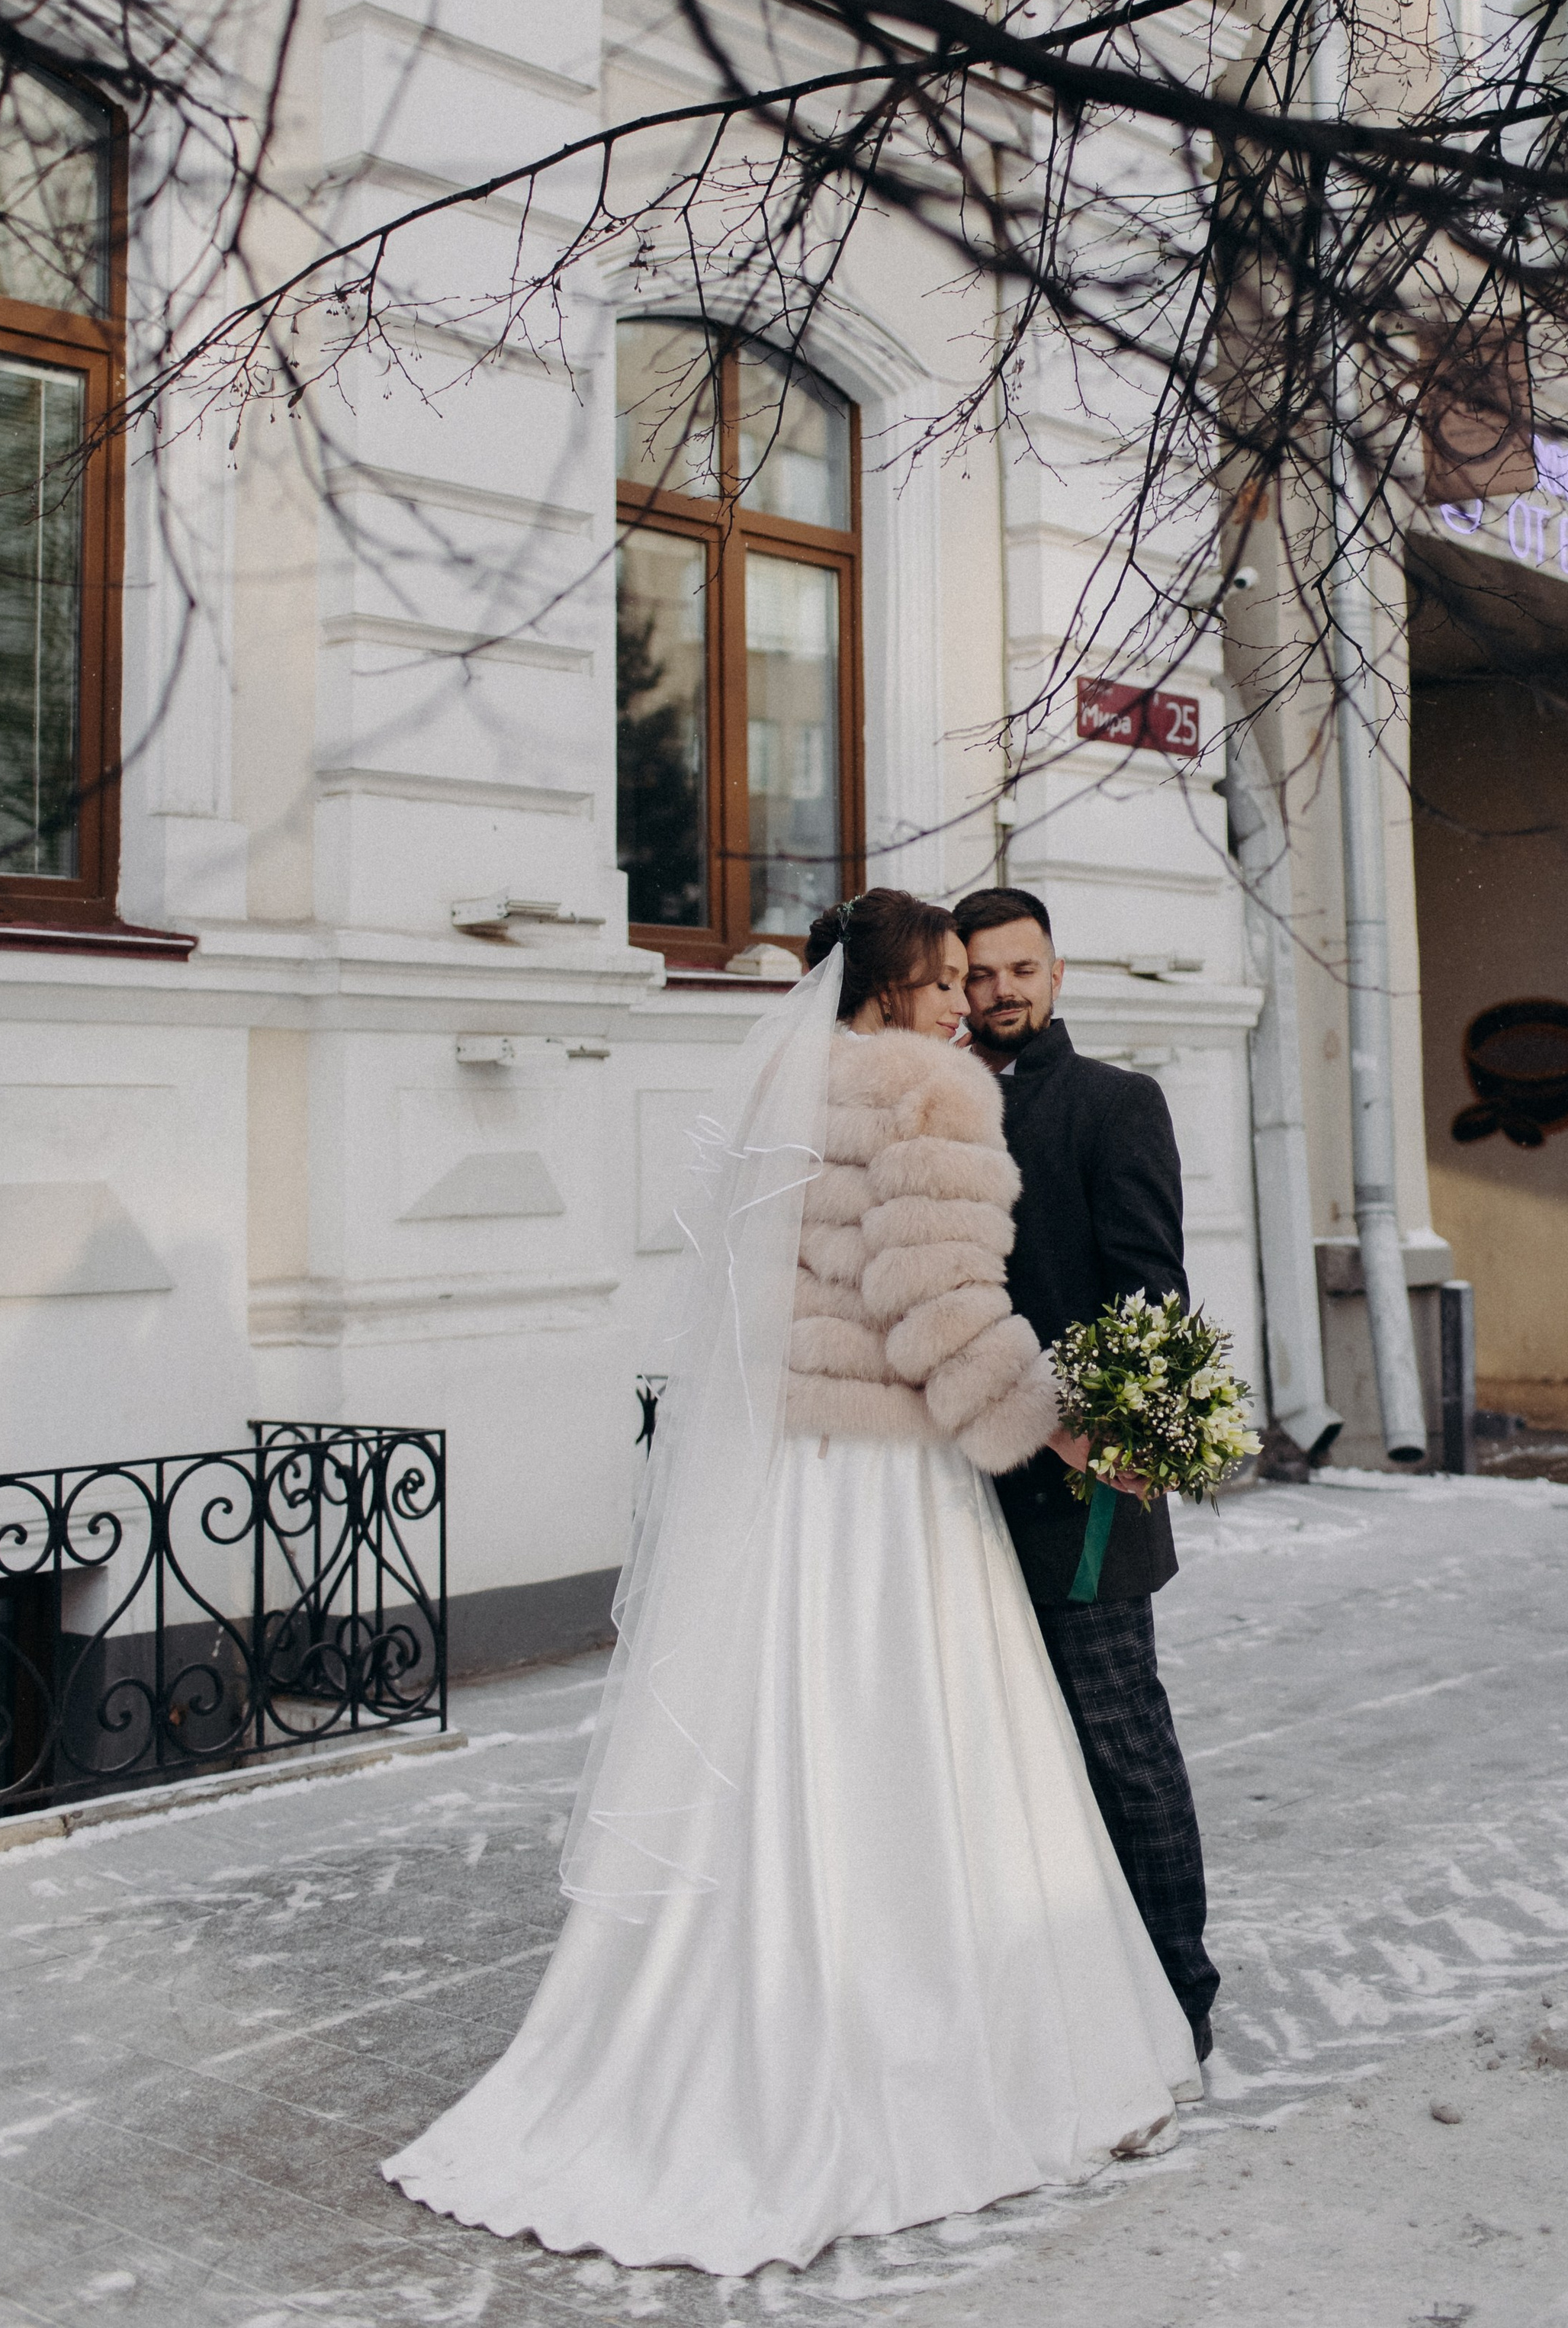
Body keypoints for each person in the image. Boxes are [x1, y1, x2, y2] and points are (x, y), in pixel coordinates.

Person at [382, 889, 1197, 2275]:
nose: (962, 1004)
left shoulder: (786, 1092)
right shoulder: (929, 1094)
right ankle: (934, 2051)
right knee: (924, 1748)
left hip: (799, 1482)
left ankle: (740, 2017)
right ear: (889, 993)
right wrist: (1058, 1427)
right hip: (895, 1485)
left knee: (802, 1744)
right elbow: (943, 1310)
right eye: (943, 980)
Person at [953, 885, 1222, 2063]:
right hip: (958, 1496)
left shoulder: (1118, 1104)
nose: (1002, 991)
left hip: (1081, 1490)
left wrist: (1121, 1446)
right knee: (1005, 1760)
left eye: (1021, 969)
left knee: (1123, 1750)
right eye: (979, 975)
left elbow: (1150, 1289)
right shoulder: (939, 1110)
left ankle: (1179, 2002)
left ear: (1057, 973)